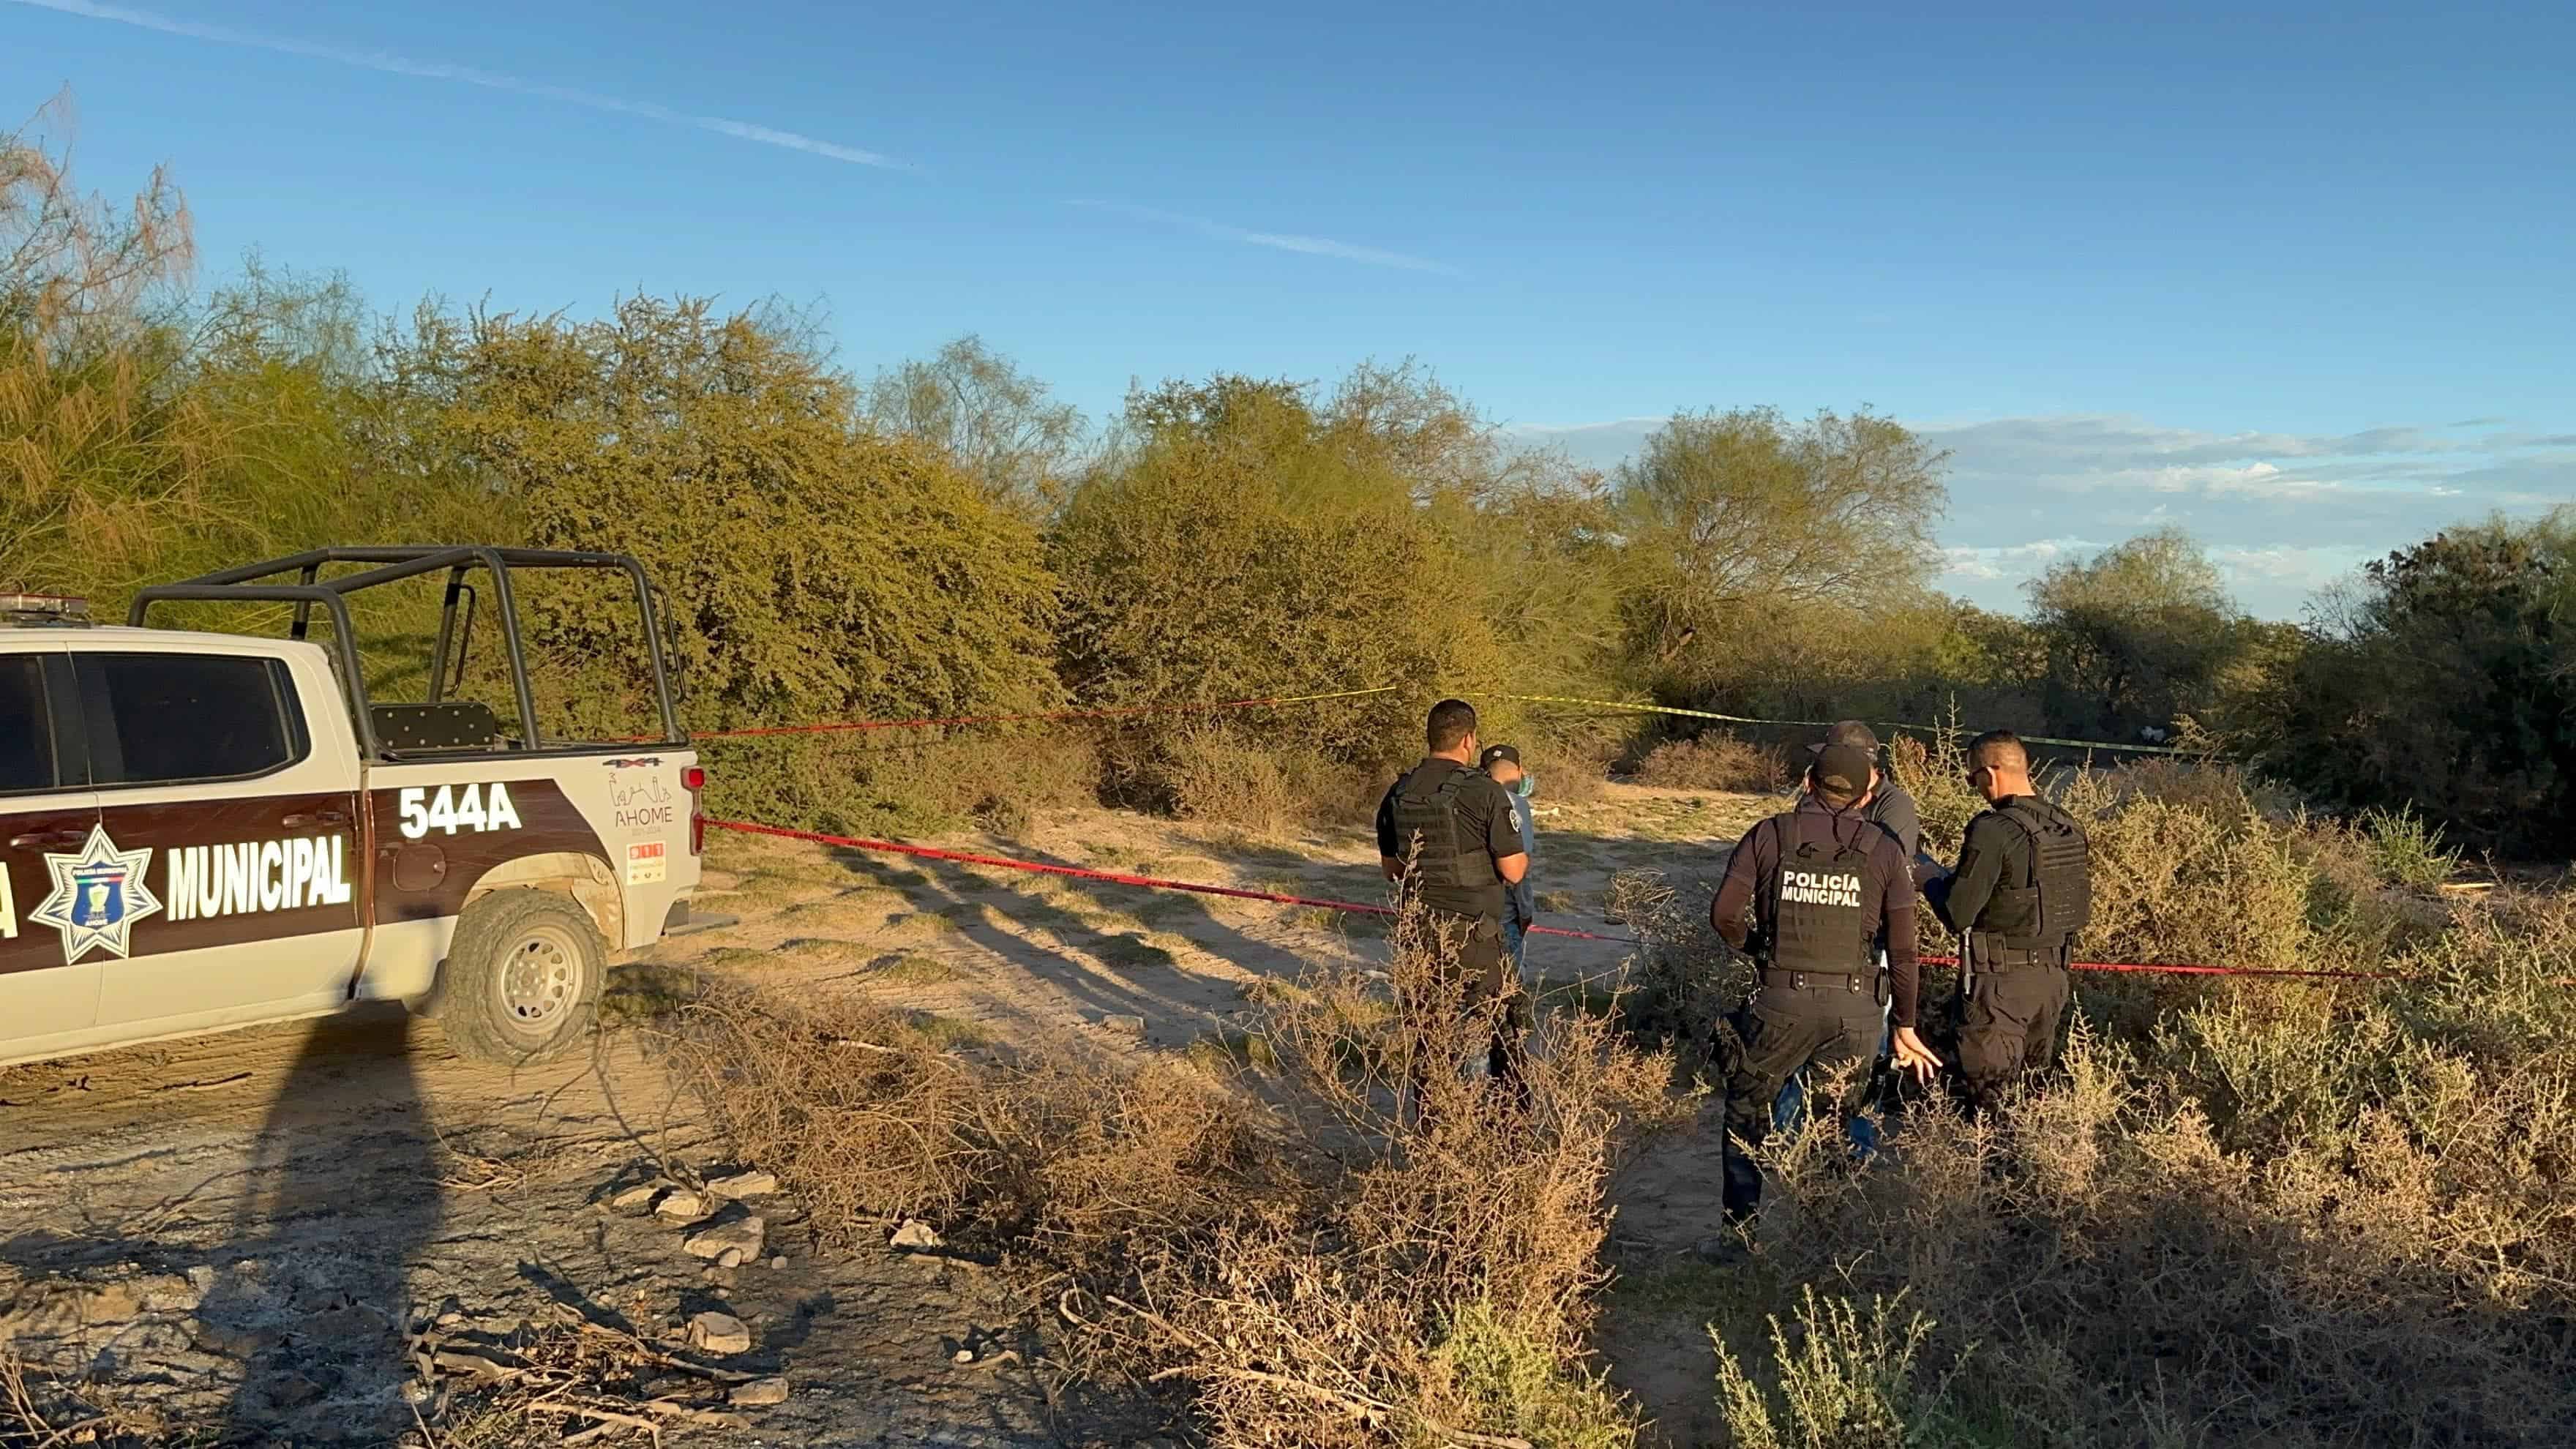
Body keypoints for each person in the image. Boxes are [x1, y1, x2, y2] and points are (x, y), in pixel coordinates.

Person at [1709, 738, 1942, 1236]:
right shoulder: (1885, 849)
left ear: (1808, 783)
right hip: (1855, 1010)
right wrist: (1905, 1023)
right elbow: (1903, 951)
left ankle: (1739, 1232)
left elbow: (1724, 916)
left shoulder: (1769, 835)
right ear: (1863, 796)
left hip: (1779, 1002)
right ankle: (1824, 1235)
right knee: (1835, 1119)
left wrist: (1761, 949)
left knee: (1747, 1111)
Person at [1921, 730, 2093, 1113]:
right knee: (2031, 1102)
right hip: (2052, 980)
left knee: (1990, 1103)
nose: (1974, 788)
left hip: (2000, 985)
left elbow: (1957, 912)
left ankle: (1996, 1173)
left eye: (1971, 778)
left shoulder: (1993, 829)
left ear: (1990, 772)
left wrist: (1928, 878)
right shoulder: (2066, 825)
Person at [1773, 721, 1920, 1135]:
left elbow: (1891, 877)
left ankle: (1850, 1147)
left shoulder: (1895, 807)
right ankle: (1792, 1139)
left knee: (1861, 1057)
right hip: (1815, 938)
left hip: (1869, 947)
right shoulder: (1822, 797)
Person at [1376, 700, 1530, 1085]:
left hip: (1420, 934)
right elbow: (1513, 870)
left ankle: (1436, 1124)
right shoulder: (1485, 792)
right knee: (1491, 1031)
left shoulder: (1399, 791)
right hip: (1475, 936)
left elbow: (1392, 870)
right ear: (1469, 740)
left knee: (1429, 1034)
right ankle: (1487, 1126)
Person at [1478, 742, 1539, 980]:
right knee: (1507, 990)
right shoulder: (1516, 804)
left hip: (1467, 910)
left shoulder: (1466, 799)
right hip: (1504, 916)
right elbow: (1516, 870)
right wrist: (1526, 913)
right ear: (1520, 770)